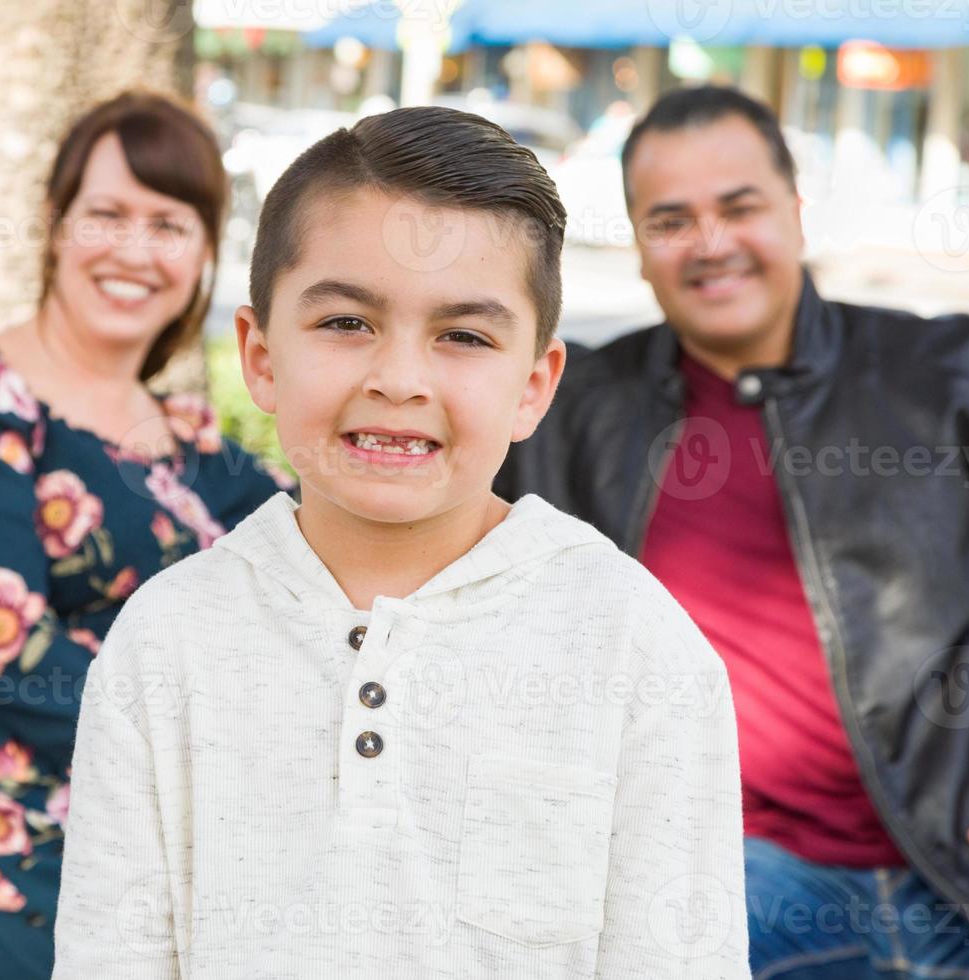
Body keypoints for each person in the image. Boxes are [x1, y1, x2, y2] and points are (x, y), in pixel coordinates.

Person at [495, 85, 969, 977]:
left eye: (739, 207)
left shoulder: (947, 372)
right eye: (671, 219)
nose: (711, 243)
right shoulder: (572, 411)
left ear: (796, 216)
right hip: (729, 877)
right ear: (639, 246)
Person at [53, 105, 750, 979]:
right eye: (347, 322)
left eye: (463, 336)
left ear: (535, 386)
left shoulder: (635, 646)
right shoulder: (166, 642)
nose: (399, 379)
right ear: (261, 358)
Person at [0, 90, 283, 980]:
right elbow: (5, 654)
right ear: (54, 225)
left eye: (170, 224)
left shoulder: (198, 450)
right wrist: (219, 752)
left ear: (205, 255)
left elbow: (330, 566)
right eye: (106, 214)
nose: (135, 250)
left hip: (151, 825)